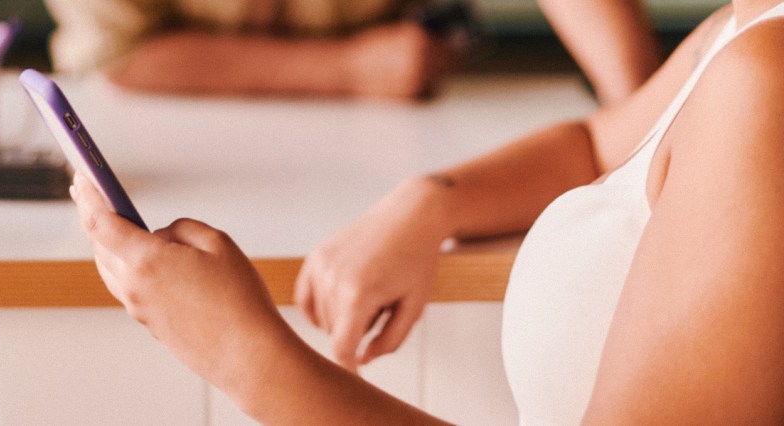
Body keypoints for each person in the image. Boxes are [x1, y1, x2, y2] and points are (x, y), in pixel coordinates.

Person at [68, 0, 784, 424]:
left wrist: (246, 356)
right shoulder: (742, 27)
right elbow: (602, 141)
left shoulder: (768, 79)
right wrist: (432, 201)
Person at [43, 0, 660, 101]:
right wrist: (351, 68)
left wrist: (655, 122)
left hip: (396, 140)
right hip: (155, 137)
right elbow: (118, 56)